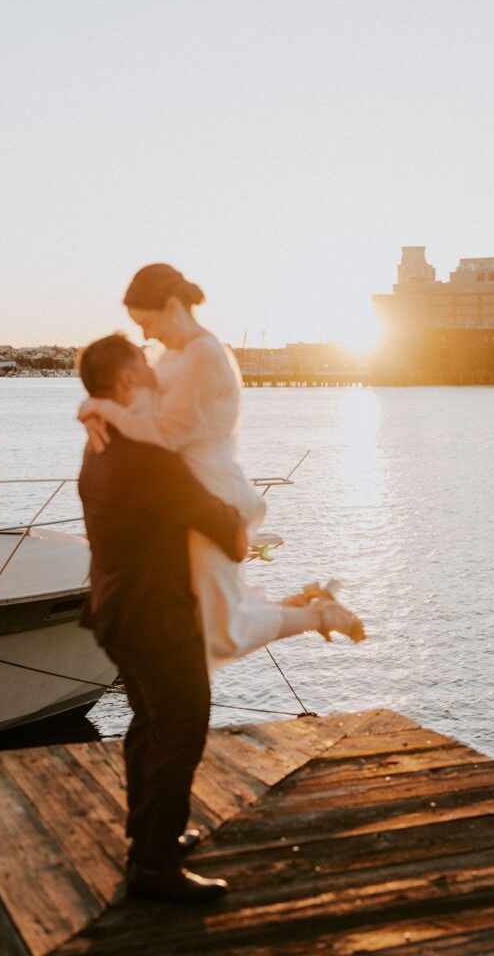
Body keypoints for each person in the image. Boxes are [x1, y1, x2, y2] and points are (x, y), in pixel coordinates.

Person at [78, 263, 365, 675]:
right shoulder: (174, 354)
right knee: (212, 618)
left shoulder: (204, 356)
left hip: (208, 490)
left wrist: (98, 406)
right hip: (188, 488)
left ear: (172, 307)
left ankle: (321, 615)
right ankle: (312, 609)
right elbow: (139, 402)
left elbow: (164, 434)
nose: (144, 335)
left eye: (146, 322)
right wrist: (95, 410)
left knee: (218, 631)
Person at [77, 334, 247, 904]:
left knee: (149, 725)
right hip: (155, 619)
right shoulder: (148, 459)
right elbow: (227, 531)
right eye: (145, 368)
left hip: (113, 609)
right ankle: (153, 866)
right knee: (180, 728)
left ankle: (152, 834)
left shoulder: (101, 442)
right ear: (125, 383)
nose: (154, 375)